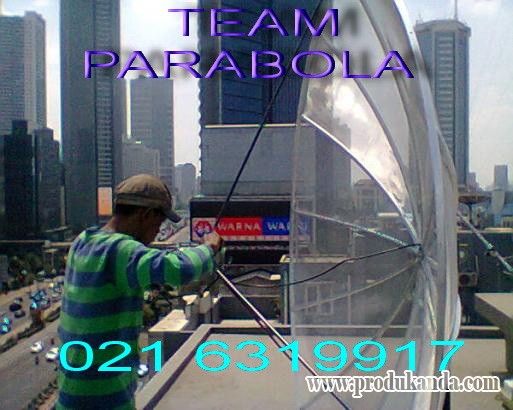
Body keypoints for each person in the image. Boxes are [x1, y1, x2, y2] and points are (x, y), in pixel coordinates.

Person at [56, 175, 223, 410]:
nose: (157, 232)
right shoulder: (120, 251)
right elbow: (180, 269)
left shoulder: (83, 241)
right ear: (146, 215)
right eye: (159, 224)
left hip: (70, 394)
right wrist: (209, 248)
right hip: (105, 399)